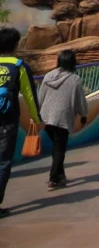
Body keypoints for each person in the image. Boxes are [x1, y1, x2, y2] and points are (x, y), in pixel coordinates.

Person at [0, 27, 42, 218]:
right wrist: (36, 117)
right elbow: (30, 96)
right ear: (15, 45)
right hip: (7, 121)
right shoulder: (18, 66)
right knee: (3, 163)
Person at [38, 50, 88, 191]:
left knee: (57, 148)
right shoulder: (75, 79)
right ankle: (54, 179)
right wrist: (83, 116)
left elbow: (40, 96)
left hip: (46, 117)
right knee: (60, 149)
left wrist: (37, 115)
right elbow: (81, 101)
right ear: (73, 62)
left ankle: (60, 176)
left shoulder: (48, 76)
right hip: (62, 119)